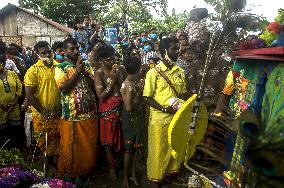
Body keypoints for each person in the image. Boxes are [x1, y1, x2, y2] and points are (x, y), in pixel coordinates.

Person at [143, 37, 187, 188]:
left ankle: (169, 174)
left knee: (173, 147)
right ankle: (155, 179)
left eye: (178, 48)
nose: (177, 51)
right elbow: (147, 97)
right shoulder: (153, 73)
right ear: (164, 52)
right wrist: (163, 108)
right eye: (174, 49)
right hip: (159, 120)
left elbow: (182, 94)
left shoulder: (180, 71)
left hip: (176, 118)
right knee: (158, 150)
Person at [55, 38, 98, 183]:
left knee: (88, 149)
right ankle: (71, 177)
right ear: (65, 51)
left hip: (89, 115)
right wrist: (78, 72)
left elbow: (94, 87)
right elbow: (64, 88)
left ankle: (86, 174)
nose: (75, 51)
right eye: (71, 49)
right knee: (71, 149)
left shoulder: (86, 65)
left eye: (77, 48)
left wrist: (84, 72)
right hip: (72, 116)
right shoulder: (60, 68)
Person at [24, 41, 61, 175]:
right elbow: (29, 94)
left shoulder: (60, 67)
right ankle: (49, 167)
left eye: (49, 51)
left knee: (59, 141)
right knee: (45, 143)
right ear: (38, 55)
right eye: (43, 53)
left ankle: (58, 167)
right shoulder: (33, 70)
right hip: (42, 115)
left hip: (59, 113)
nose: (47, 54)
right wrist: (43, 110)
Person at [94, 43, 126, 180]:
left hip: (122, 110)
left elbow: (126, 86)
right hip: (107, 112)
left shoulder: (121, 68)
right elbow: (101, 96)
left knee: (122, 140)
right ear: (101, 60)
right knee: (108, 142)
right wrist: (112, 81)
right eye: (109, 59)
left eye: (114, 58)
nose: (112, 61)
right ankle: (112, 168)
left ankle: (122, 167)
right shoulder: (99, 73)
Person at [121, 56, 144, 188]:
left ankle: (132, 175)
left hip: (134, 120)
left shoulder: (129, 83)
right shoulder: (129, 85)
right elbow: (129, 107)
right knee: (129, 150)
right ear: (137, 69)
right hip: (131, 120)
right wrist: (139, 92)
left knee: (134, 150)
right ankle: (126, 177)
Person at [0, 40, 24, 148]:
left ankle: (16, 158)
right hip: (1, 113)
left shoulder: (11, 73)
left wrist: (15, 101)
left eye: (2, 55)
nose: (1, 57)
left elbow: (19, 88)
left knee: (15, 136)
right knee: (3, 139)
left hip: (14, 111)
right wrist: (1, 104)